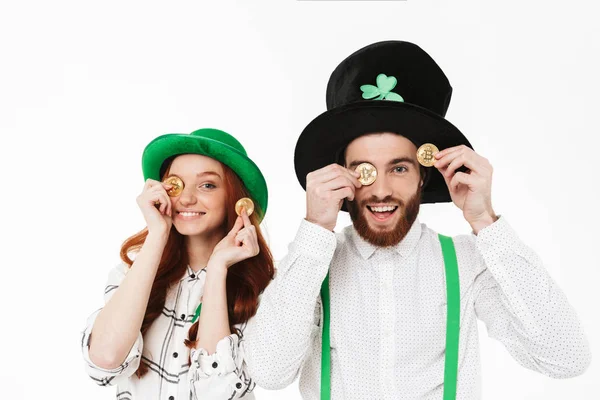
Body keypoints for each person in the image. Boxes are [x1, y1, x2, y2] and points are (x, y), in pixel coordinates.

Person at [244, 41, 591, 399]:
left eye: (398, 168)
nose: (380, 189)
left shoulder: (467, 262)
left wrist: (485, 220)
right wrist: (315, 230)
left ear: (423, 177)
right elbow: (269, 371)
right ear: (343, 178)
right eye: (364, 170)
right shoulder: (313, 264)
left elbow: (566, 358)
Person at [80, 128, 274, 399]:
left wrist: (217, 270)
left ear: (239, 202)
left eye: (207, 185)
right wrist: (157, 234)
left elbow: (217, 394)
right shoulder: (131, 272)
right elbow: (104, 362)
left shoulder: (263, 291)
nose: (186, 199)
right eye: (175, 184)